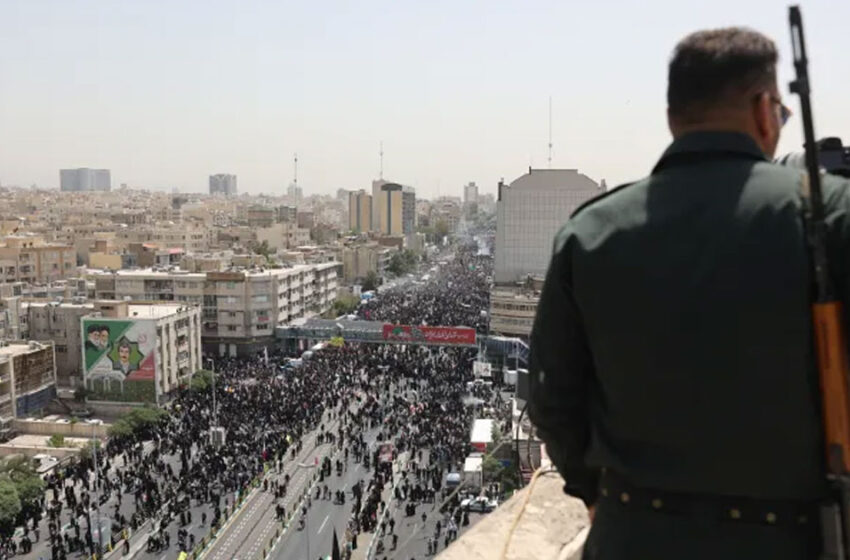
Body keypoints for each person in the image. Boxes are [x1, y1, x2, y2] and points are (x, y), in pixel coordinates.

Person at [528, 27, 849, 560]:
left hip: (631, 537)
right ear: (765, 110)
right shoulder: (828, 213)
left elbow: (552, 398)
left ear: (675, 116)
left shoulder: (593, 230)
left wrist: (593, 491)